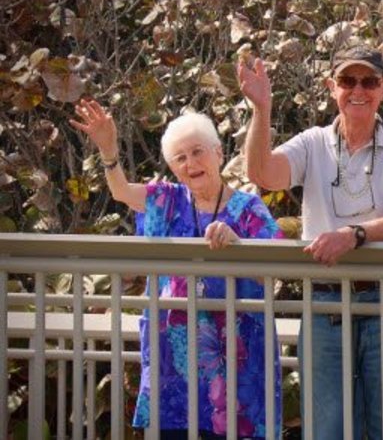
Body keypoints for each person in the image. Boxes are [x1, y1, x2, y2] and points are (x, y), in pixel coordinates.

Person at [238, 46, 383, 440]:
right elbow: (262, 173)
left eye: (369, 81)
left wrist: (354, 236)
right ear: (331, 87)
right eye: (347, 80)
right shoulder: (312, 142)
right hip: (324, 300)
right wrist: (261, 110)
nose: (359, 90)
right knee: (327, 427)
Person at [70, 100, 282, 438]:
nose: (191, 163)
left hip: (235, 361)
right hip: (174, 358)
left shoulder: (248, 208)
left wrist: (239, 244)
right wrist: (109, 150)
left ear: (218, 154)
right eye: (180, 158)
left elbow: (274, 269)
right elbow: (121, 191)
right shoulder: (167, 201)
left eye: (198, 152)